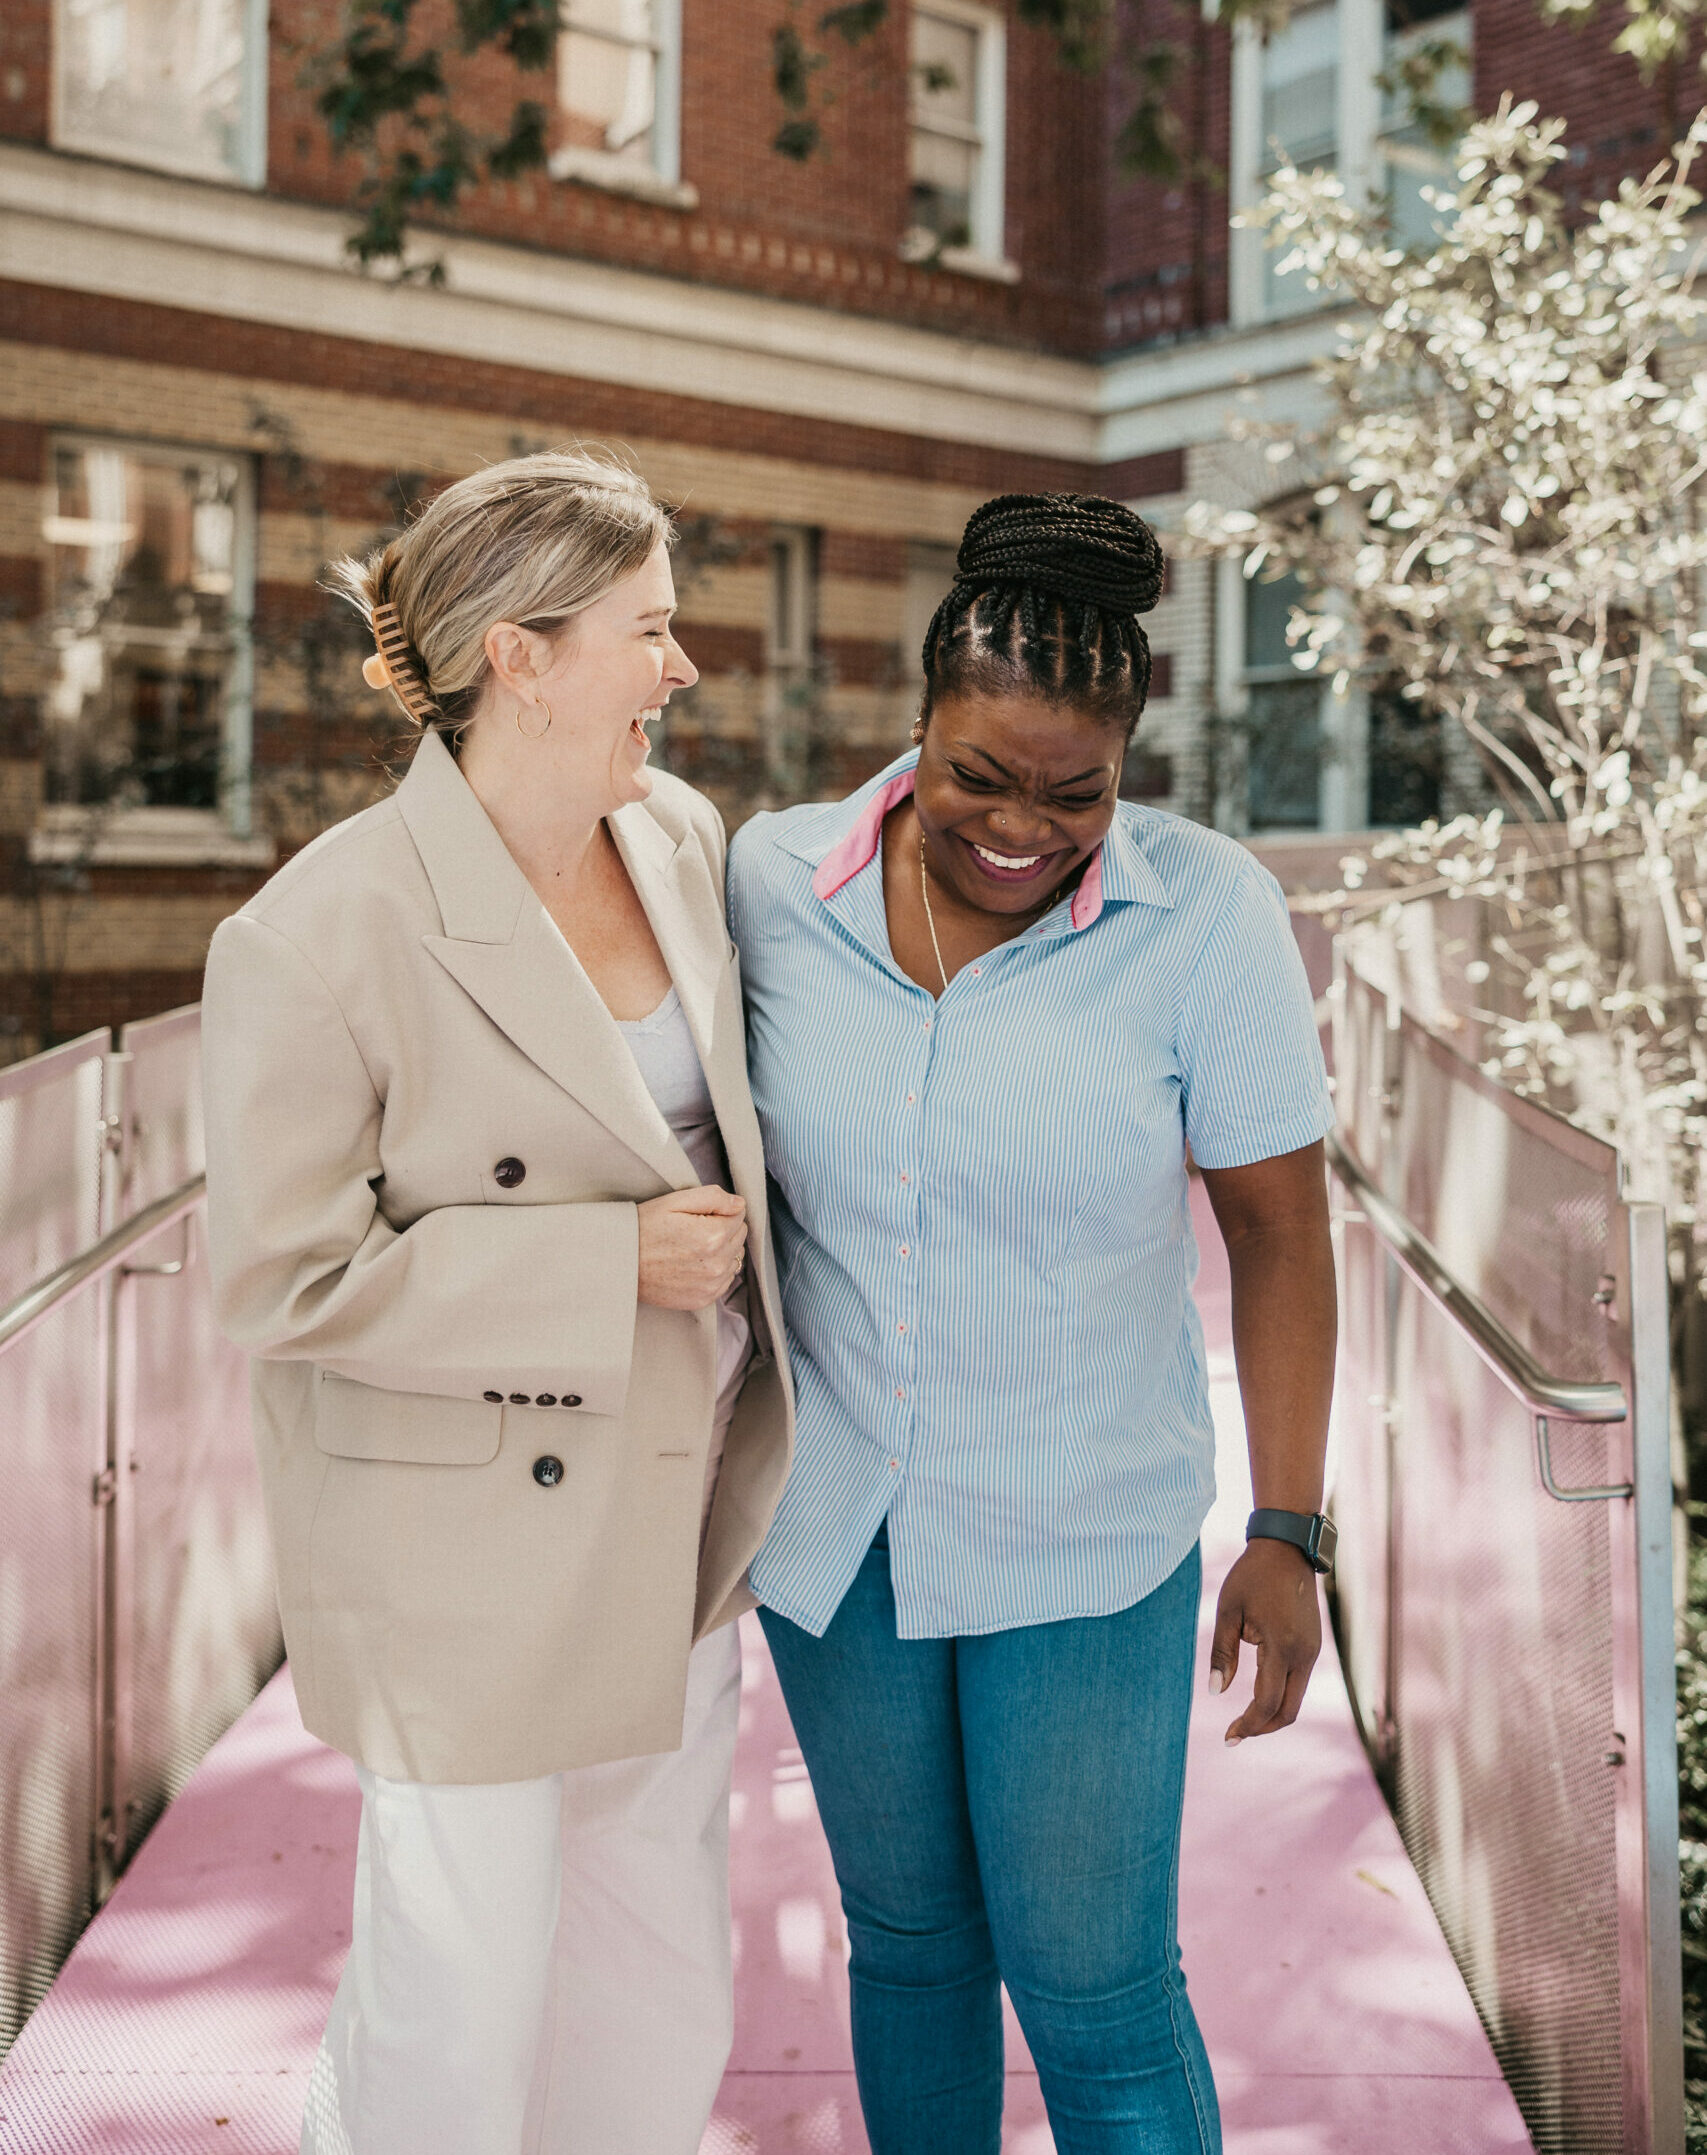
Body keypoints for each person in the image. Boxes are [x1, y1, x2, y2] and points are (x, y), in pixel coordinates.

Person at [726, 492, 1337, 2155]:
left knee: (1097, 1991)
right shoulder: (770, 882)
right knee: (914, 1955)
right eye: (975, 775)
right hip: (838, 1533)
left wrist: (1287, 1527)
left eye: (1077, 792)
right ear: (911, 726)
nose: (1018, 827)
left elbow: (1282, 1236)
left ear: (1131, 760)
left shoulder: (1204, 918)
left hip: (1084, 1532)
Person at [200, 448, 793, 2155]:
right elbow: (279, 1273)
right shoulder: (318, 934)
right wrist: (601, 1264)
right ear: (518, 655)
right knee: (454, 2006)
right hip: (463, 1548)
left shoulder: (679, 838)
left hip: (681, 1504)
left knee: (658, 1960)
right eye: (648, 631)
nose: (682, 670)